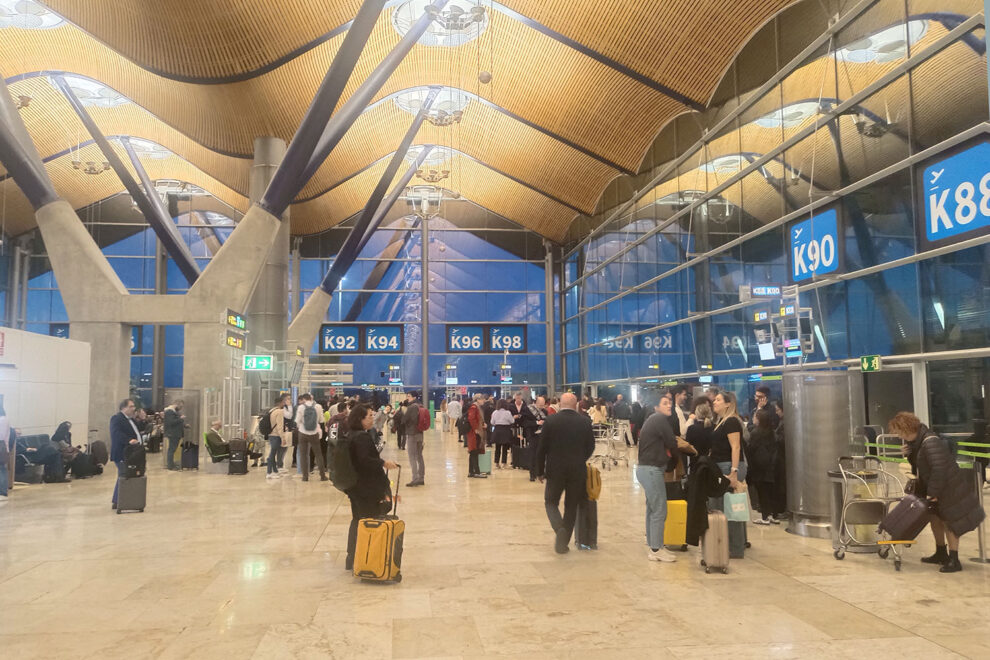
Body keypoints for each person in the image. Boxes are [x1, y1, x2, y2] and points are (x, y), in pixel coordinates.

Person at [890, 412, 986, 573]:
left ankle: (954, 559)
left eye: (898, 431)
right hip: (937, 487)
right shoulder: (918, 442)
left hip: (947, 488)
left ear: (906, 428)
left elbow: (939, 468)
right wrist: (909, 454)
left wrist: (933, 492)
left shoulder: (930, 442)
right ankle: (941, 552)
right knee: (935, 519)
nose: (897, 435)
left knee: (950, 522)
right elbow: (922, 465)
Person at [534, 393, 595, 554]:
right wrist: (580, 458)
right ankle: (563, 543)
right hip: (577, 470)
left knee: (551, 502)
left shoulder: (551, 421)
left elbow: (542, 449)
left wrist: (539, 471)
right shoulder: (585, 422)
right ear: (576, 405)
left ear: (560, 404)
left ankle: (559, 529)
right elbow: (591, 447)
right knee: (571, 506)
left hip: (555, 470)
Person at [344, 403, 399, 571]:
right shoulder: (361, 437)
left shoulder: (351, 434)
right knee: (369, 521)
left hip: (355, 486)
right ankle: (367, 559)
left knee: (357, 520)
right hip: (366, 488)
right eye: (369, 416)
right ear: (360, 419)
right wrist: (384, 463)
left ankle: (352, 558)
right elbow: (365, 461)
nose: (372, 418)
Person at [637, 393, 680, 562]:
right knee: (660, 509)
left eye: (670, 403)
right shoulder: (659, 419)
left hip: (646, 469)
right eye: (665, 403)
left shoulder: (653, 419)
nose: (669, 405)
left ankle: (653, 544)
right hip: (651, 470)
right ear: (656, 407)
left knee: (652, 508)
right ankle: (656, 549)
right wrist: (674, 462)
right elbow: (672, 442)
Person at [747, 409, 781, 525]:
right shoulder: (772, 433)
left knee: (761, 492)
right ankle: (771, 514)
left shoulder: (755, 433)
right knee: (770, 491)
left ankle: (765, 516)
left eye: (755, 417)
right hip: (770, 466)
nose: (753, 419)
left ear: (759, 419)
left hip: (758, 467)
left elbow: (751, 449)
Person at [711, 391, 747, 490]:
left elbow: (735, 447)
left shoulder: (731, 421)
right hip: (721, 464)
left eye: (718, 400)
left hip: (728, 465)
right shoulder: (721, 421)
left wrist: (734, 471)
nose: (714, 402)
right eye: (714, 400)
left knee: (727, 500)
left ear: (728, 404)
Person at [109, 399, 141, 509]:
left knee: (124, 475)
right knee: (123, 475)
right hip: (122, 453)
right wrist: (128, 440)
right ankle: (118, 501)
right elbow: (116, 433)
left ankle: (118, 500)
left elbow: (137, 431)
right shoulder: (117, 419)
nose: (134, 408)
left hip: (131, 453)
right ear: (124, 408)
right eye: (131, 406)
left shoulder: (130, 420)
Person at [294, 393, 327, 482]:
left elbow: (297, 421)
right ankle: (322, 476)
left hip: (303, 433)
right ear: (311, 399)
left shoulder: (301, 407)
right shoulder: (318, 407)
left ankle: (305, 477)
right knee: (318, 454)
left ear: (304, 399)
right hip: (314, 433)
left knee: (303, 455)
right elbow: (321, 420)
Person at [403, 392, 426, 487]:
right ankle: (421, 478)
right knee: (419, 456)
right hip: (420, 433)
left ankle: (415, 478)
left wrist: (404, 411)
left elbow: (404, 420)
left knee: (412, 456)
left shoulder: (411, 407)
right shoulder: (421, 406)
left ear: (414, 397)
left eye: (409, 396)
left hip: (412, 434)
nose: (407, 398)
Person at [265, 396, 287, 480]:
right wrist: (283, 437)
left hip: (271, 435)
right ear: (281, 402)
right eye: (284, 402)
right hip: (276, 435)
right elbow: (280, 426)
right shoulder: (280, 412)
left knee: (273, 453)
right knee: (272, 454)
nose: (284, 404)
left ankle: (275, 471)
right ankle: (269, 472)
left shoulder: (271, 411)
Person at [465, 396, 487, 479]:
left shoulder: (476, 407)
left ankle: (471, 471)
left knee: (472, 452)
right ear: (477, 400)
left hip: (474, 432)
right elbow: (471, 418)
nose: (483, 401)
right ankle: (476, 472)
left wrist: (482, 425)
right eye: (482, 399)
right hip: (474, 433)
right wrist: (476, 429)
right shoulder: (474, 407)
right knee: (474, 452)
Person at [490, 400, 515, 469]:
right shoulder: (508, 412)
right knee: (505, 448)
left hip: (497, 430)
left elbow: (492, 422)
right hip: (506, 430)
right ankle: (504, 463)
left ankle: (497, 463)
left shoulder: (495, 412)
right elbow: (512, 421)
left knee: (497, 448)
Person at [162, 400, 186, 471]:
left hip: (175, 433)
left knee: (172, 449)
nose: (181, 408)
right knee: (171, 450)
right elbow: (171, 422)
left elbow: (175, 421)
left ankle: (171, 464)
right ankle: (170, 466)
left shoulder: (173, 412)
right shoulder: (169, 412)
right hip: (173, 434)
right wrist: (181, 419)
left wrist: (185, 425)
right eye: (180, 406)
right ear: (176, 404)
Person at [0, 403, 9, 502]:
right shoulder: (6, 420)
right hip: (3, 447)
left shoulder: (1, 420)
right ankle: (3, 490)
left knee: (1, 469)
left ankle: (2, 491)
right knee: (2, 469)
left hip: (0, 445)